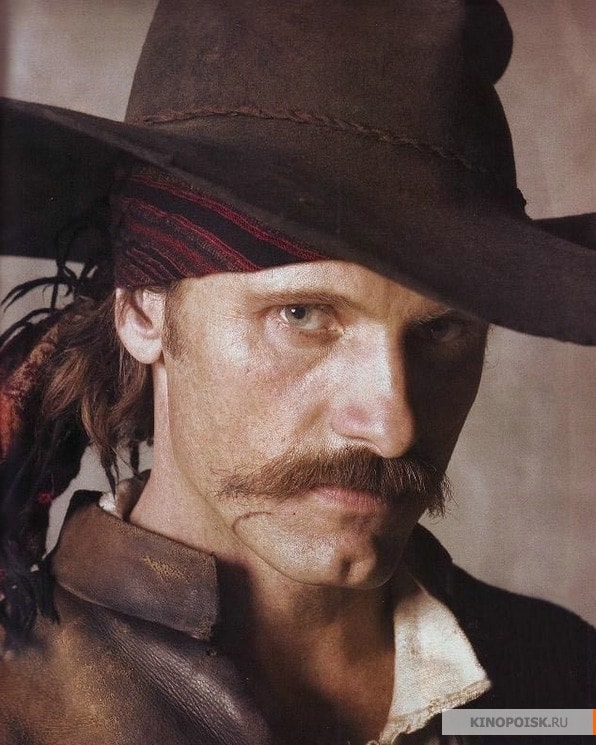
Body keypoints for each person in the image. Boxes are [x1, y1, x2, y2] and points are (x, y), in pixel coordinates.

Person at [0, 1, 594, 744]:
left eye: (442, 330)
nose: (392, 426)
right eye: (303, 314)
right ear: (145, 310)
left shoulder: (565, 683)